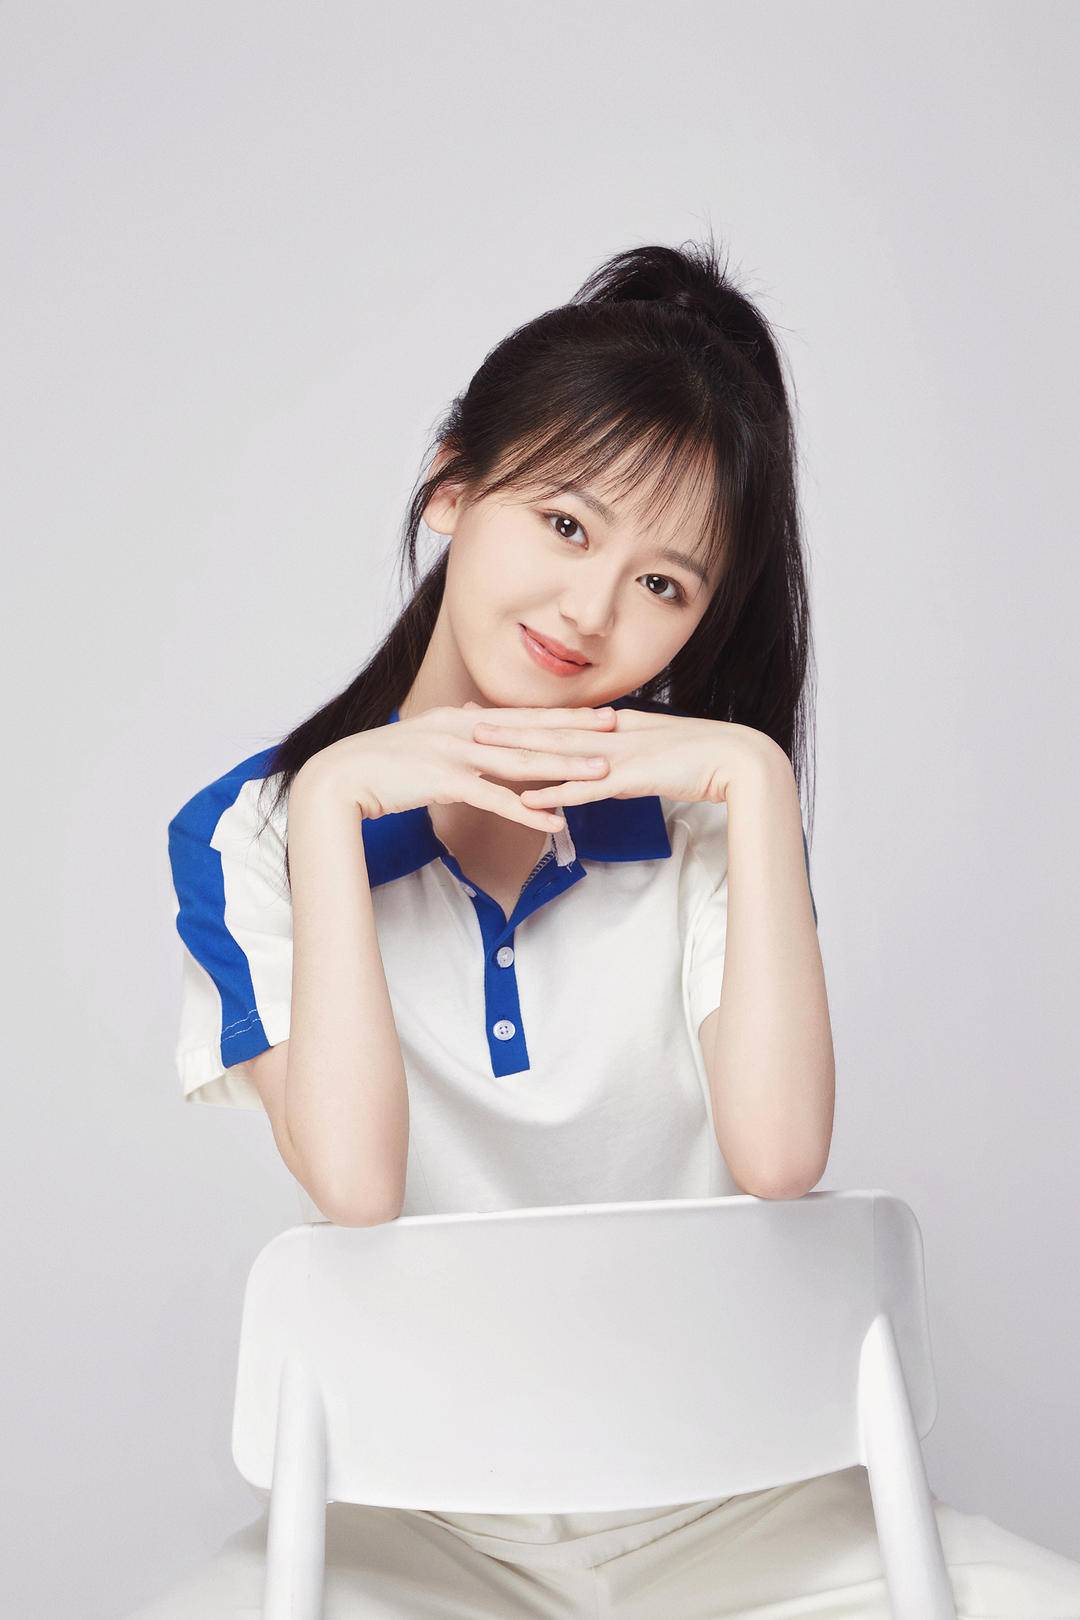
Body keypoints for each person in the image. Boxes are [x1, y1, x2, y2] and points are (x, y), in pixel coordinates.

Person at [133, 238, 1080, 1617]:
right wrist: (334, 806)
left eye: (665, 585)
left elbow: (781, 1156)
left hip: (755, 1514)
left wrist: (756, 778)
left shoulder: (712, 822)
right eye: (568, 526)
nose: (591, 613)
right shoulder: (252, 834)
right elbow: (356, 1186)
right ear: (452, 483)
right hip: (420, 1532)